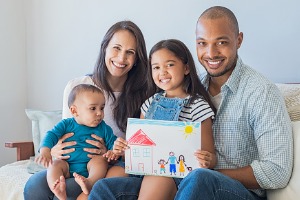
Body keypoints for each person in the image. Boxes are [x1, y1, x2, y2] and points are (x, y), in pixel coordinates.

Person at [88, 6, 293, 200]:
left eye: (221, 42)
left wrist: (197, 171)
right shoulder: (191, 87)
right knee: (106, 188)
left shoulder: (261, 92)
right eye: (202, 43)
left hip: (235, 191)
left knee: (198, 178)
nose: (211, 53)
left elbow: (277, 171)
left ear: (238, 40)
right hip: (177, 180)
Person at [24, 20, 153, 200]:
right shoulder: (78, 87)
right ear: (105, 48)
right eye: (116, 48)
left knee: (69, 189)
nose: (122, 58)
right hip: (74, 160)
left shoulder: (144, 93)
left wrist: (112, 152)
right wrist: (52, 150)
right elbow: (66, 129)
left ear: (137, 59)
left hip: (112, 164)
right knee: (34, 187)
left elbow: (143, 145)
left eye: (130, 52)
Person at [95, 39, 217, 200]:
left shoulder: (197, 106)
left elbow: (211, 157)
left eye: (170, 65)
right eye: (156, 67)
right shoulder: (149, 103)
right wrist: (122, 149)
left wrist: (207, 160)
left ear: (186, 68)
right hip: (143, 170)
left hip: (175, 176)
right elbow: (136, 148)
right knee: (103, 185)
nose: (163, 72)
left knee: (157, 179)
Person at [36, 84, 117, 200]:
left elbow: (113, 144)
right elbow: (51, 134)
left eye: (102, 108)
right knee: (55, 165)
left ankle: (90, 183)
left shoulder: (104, 128)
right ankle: (58, 189)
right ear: (74, 111)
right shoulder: (66, 124)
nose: (99, 113)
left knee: (100, 161)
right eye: (93, 108)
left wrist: (112, 152)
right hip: (67, 167)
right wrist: (45, 151)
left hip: (91, 167)